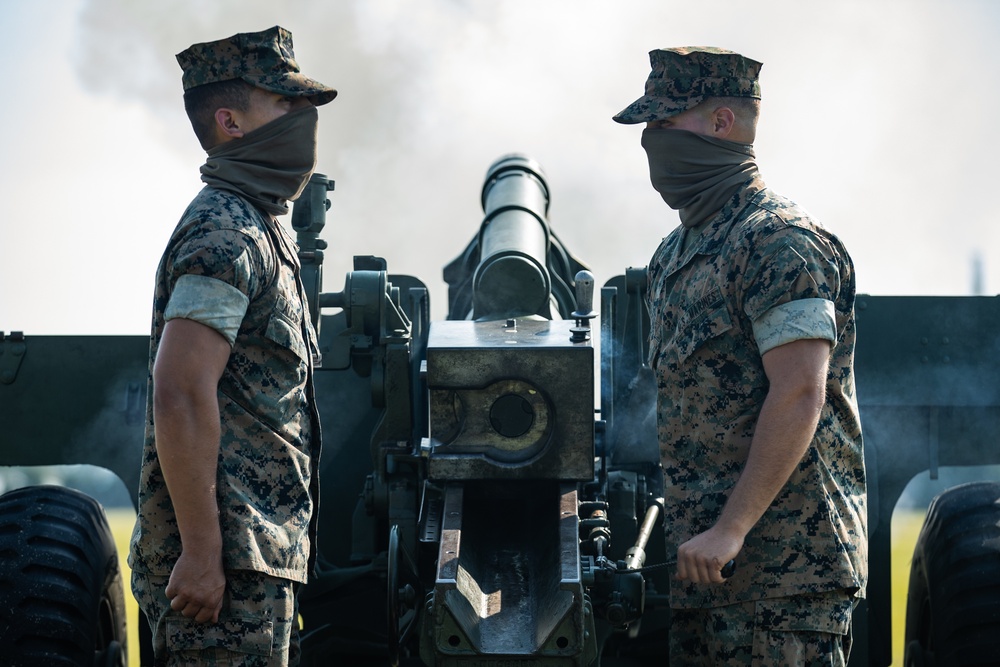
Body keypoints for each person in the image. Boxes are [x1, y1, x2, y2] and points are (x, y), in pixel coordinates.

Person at [613, 47, 867, 665]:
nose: (650, 142)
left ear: (721, 123)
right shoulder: (675, 255)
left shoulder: (779, 242)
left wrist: (730, 529)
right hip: (706, 578)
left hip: (783, 578)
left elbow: (800, 391)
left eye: (664, 124)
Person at [128, 26, 336, 666]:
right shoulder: (227, 233)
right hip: (223, 571)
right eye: (284, 104)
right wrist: (200, 552)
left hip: (250, 559)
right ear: (231, 122)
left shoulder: (257, 227)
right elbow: (181, 388)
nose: (303, 120)